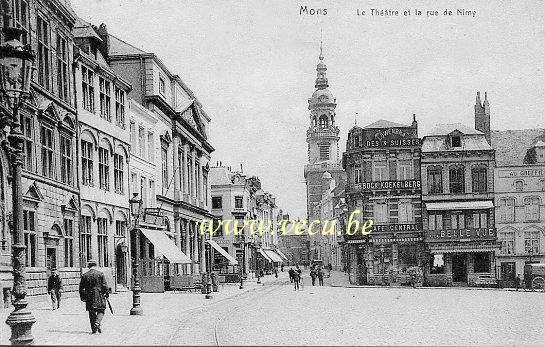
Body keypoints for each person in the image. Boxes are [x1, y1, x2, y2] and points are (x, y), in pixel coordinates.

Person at [79, 259, 110, 334]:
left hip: (89, 296)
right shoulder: (100, 274)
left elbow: (81, 288)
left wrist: (83, 297)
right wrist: (107, 294)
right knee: (101, 310)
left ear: (88, 266)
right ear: (95, 266)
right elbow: (105, 285)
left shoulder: (84, 275)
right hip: (99, 295)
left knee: (91, 312)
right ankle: (98, 321)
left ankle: (94, 330)